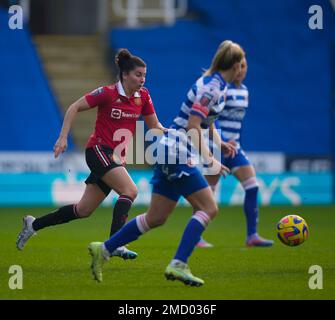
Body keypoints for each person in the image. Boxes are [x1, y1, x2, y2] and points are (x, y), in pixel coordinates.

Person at [87, 40, 244, 286]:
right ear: (234, 65)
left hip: (169, 151)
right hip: (177, 152)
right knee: (209, 208)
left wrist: (219, 142)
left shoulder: (216, 85)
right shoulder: (212, 88)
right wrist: (210, 158)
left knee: (156, 217)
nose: (243, 69)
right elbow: (193, 125)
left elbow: (206, 121)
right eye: (242, 64)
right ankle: (179, 264)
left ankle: (104, 249)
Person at [16, 49, 167, 259]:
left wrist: (173, 133)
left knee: (84, 210)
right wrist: (62, 138)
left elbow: (154, 126)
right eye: (138, 75)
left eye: (144, 75)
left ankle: (33, 224)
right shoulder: (107, 93)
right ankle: (115, 244)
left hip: (115, 158)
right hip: (98, 150)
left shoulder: (143, 96)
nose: (142, 79)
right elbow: (74, 107)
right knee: (130, 191)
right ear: (125, 74)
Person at [204, 57, 273, 247]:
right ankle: (197, 237)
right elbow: (212, 118)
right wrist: (222, 141)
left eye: (244, 66)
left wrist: (236, 141)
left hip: (236, 148)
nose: (241, 70)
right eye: (238, 66)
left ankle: (252, 236)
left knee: (252, 186)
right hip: (218, 147)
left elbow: (239, 123)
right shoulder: (222, 89)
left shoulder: (244, 91)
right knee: (208, 195)